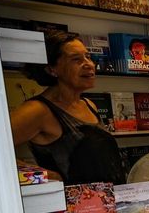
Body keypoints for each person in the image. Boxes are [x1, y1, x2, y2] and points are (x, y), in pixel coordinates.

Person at [9, 29, 127, 184]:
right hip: (72, 205)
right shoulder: (38, 110)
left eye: (88, 57)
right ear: (51, 69)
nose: (89, 64)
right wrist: (45, 176)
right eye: (76, 59)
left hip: (106, 203)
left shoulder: (88, 105)